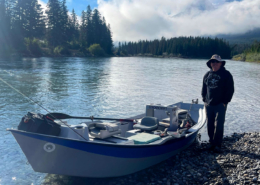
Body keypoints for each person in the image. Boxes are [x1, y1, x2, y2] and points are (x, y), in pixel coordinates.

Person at [202, 54, 234, 153]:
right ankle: (211, 142)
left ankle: (218, 144)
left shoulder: (226, 74)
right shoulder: (207, 74)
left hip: (221, 104)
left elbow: (230, 89)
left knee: (219, 124)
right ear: (210, 64)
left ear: (220, 63)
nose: (214, 63)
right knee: (210, 124)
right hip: (209, 104)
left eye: (216, 62)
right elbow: (204, 89)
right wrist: (204, 99)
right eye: (212, 62)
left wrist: (225, 102)